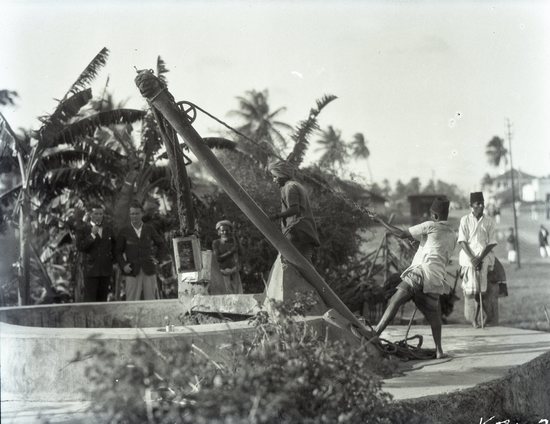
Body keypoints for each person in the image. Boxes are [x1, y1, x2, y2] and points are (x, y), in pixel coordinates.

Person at [373, 197, 456, 359]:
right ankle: (439, 350)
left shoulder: (430, 225)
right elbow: (436, 252)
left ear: (435, 216)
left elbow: (401, 234)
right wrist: (419, 246)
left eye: (431, 214)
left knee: (395, 300)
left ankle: (375, 333)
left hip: (420, 272)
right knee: (434, 316)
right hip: (435, 279)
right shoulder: (452, 234)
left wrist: (380, 221)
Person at [458, 192, 497, 328]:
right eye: (478, 204)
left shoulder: (489, 221)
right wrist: (473, 258)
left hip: (484, 258)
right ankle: (478, 317)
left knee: (482, 290)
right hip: (468, 260)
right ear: (471, 206)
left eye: (482, 203)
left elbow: (492, 242)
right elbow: (462, 241)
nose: (481, 206)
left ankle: (481, 317)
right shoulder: (465, 220)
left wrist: (480, 258)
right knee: (473, 291)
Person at [268, 160, 320, 262]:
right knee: (305, 264)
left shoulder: (289, 187)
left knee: (292, 264)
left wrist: (276, 216)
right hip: (304, 232)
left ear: (282, 175)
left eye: (275, 176)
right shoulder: (296, 185)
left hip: (297, 232)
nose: (274, 180)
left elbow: (294, 209)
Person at [116, 201, 166, 301]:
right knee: (131, 301)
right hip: (132, 270)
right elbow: (117, 251)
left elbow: (161, 244)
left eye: (137, 213)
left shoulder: (149, 228)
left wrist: (158, 260)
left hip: (149, 269)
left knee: (151, 300)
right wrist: (123, 265)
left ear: (142, 214)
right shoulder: (124, 231)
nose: (134, 216)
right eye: (132, 214)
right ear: (130, 214)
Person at [75, 203, 115, 302]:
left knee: (103, 301)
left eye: (101, 214)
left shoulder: (108, 229)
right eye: (96, 214)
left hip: (105, 271)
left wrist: (111, 260)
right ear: (90, 215)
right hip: (91, 271)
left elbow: (114, 246)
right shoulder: (83, 228)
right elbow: (80, 246)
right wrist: (92, 235)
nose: (99, 216)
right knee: (90, 301)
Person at [212, 220, 243, 294]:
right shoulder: (216, 243)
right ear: (219, 232)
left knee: (237, 293)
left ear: (230, 231)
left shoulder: (233, 241)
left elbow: (241, 252)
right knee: (227, 293)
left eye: (227, 230)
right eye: (222, 230)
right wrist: (231, 252)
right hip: (223, 272)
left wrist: (236, 238)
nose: (225, 233)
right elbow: (218, 258)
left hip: (234, 271)